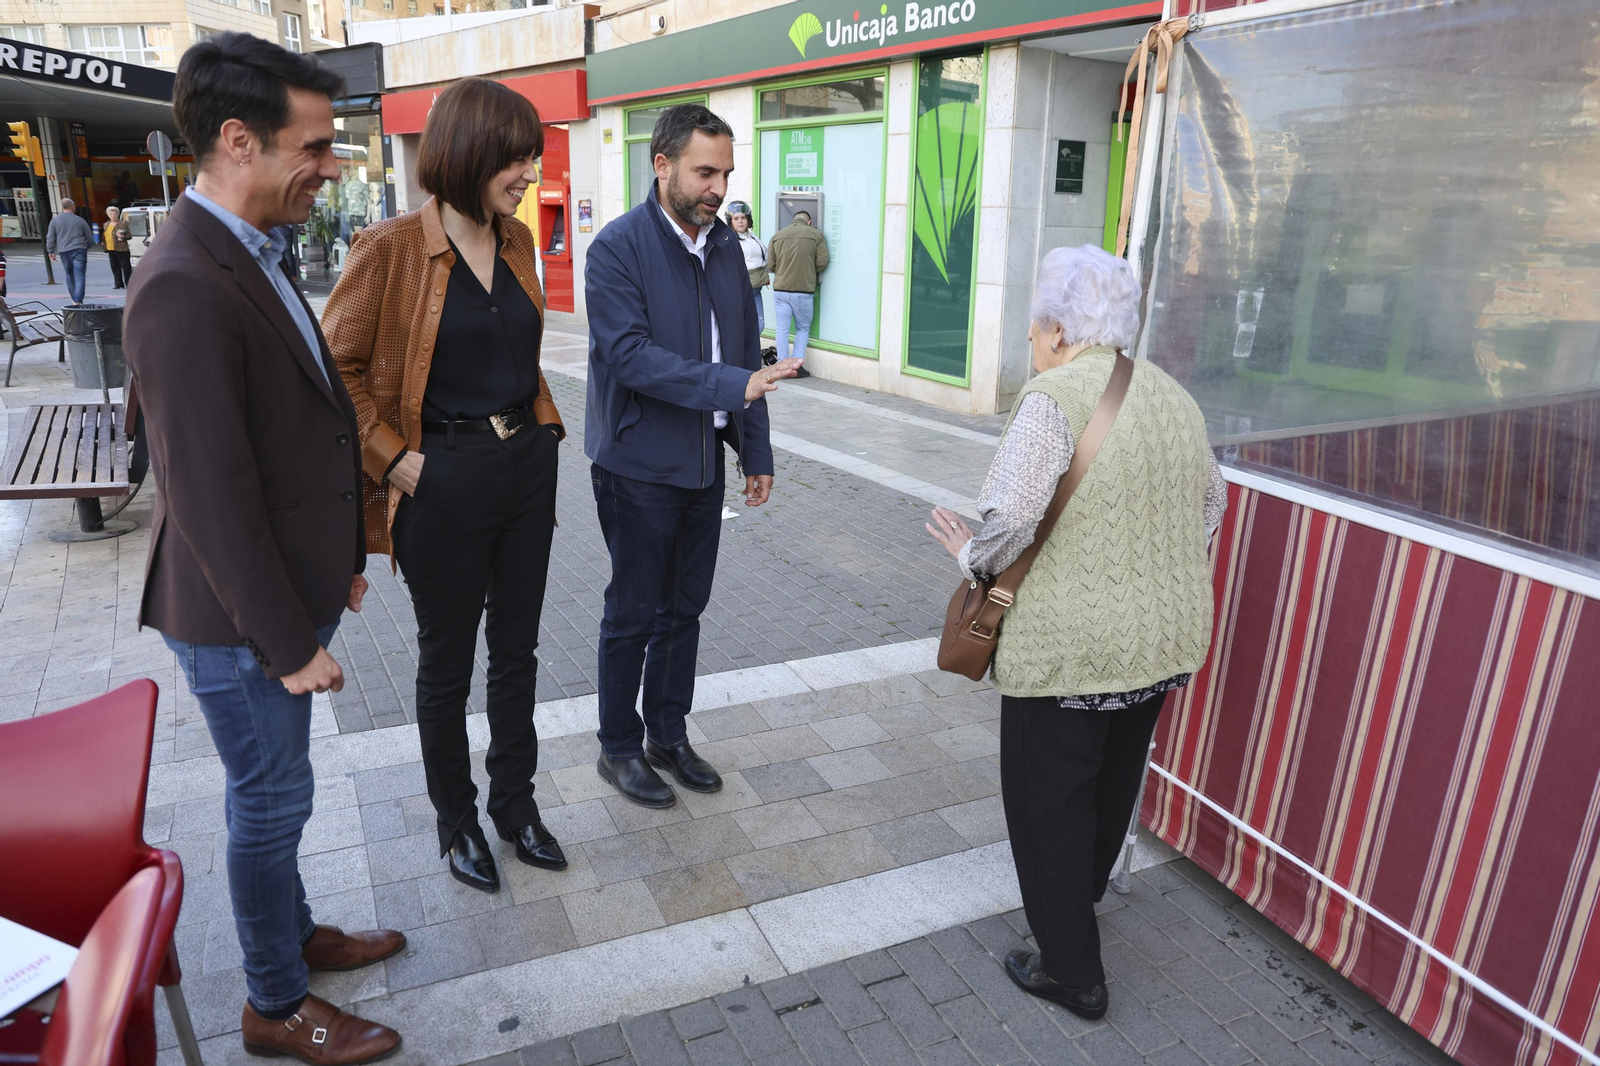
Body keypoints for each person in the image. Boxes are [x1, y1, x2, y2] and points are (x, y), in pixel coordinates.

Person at [122, 32, 403, 1063]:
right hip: (239, 621)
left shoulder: (247, 247)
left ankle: (292, 935)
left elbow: (304, 424)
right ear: (238, 140)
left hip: (278, 592)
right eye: (316, 145)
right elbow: (209, 497)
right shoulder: (186, 281)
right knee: (271, 800)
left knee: (280, 795)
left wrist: (341, 557)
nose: (331, 165)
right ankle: (275, 1001)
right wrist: (289, 642)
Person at [925, 245, 1228, 1022]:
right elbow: (1212, 508)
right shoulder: (1173, 397)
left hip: (1069, 649)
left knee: (1046, 802)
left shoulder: (1052, 398)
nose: (1031, 341)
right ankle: (1083, 895)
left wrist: (968, 554)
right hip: (1159, 642)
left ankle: (1071, 970)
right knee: (1112, 779)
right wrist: (1149, 572)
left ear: (1059, 329)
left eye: (1034, 327)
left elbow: (1013, 519)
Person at [324, 78, 567, 894]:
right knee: (445, 663)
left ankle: (515, 804)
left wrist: (541, 435)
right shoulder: (390, 248)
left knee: (518, 652)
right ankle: (456, 821)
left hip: (525, 464)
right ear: (469, 151)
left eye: (533, 156)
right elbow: (332, 369)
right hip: (441, 477)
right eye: (518, 155)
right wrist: (391, 458)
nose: (530, 171)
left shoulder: (518, 241)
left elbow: (520, 354)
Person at [584, 104, 801, 808]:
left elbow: (744, 355)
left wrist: (755, 449)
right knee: (634, 610)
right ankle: (617, 748)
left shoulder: (727, 251)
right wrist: (732, 385)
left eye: (726, 173)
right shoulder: (617, 248)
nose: (718, 186)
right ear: (662, 164)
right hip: (638, 464)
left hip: (704, 459)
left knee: (685, 608)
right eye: (705, 171)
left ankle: (666, 735)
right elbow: (631, 357)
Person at [767, 208, 828, 363]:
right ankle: (796, 364)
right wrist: (807, 271)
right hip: (803, 291)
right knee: (803, 329)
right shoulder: (816, 235)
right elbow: (822, 262)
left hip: (780, 290)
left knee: (782, 329)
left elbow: (771, 265)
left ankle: (782, 364)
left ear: (793, 220)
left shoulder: (777, 236)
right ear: (809, 222)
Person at [726, 201, 768, 331]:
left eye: (743, 218)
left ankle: (748, 350)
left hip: (756, 288)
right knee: (744, 327)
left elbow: (764, 254)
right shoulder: (730, 240)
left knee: (759, 325)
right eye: (736, 218)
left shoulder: (752, 236)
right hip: (741, 290)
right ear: (730, 221)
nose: (740, 221)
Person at [45, 198, 93, 304]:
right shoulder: (80, 220)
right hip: (79, 249)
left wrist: (51, 251)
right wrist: (86, 247)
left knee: (69, 274)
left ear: (63, 208)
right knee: (79, 275)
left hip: (64, 250)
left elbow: (50, 237)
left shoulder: (55, 221)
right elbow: (89, 237)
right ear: (73, 207)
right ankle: (78, 299)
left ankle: (73, 298)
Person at [103, 205, 131, 288]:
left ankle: (129, 283)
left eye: (115, 214)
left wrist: (122, 237)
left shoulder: (122, 224)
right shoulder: (106, 224)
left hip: (122, 249)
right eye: (111, 214)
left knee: (125, 267)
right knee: (115, 267)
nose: (113, 216)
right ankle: (118, 284)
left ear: (118, 214)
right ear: (108, 215)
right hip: (110, 248)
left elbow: (129, 236)